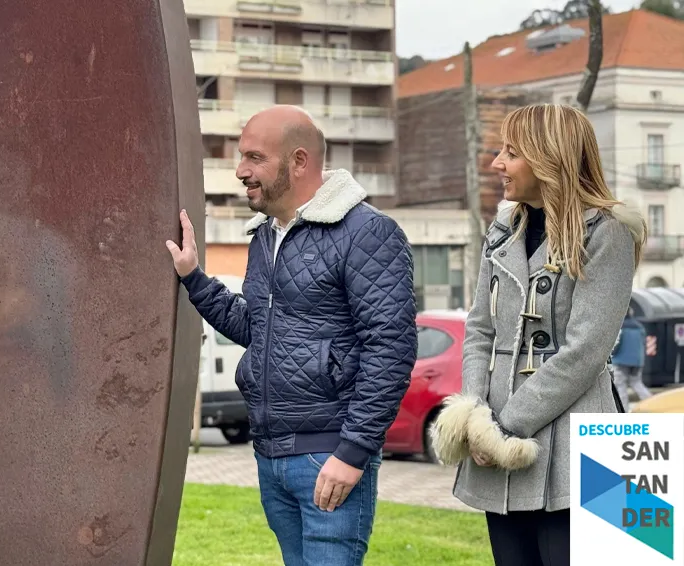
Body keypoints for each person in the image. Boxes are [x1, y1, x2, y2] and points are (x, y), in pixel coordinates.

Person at [165, 105, 418, 565]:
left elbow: (391, 349)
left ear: (299, 161)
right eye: (241, 157)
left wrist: (353, 452)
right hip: (271, 455)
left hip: (329, 455)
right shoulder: (266, 236)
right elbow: (256, 329)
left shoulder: (368, 233)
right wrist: (194, 278)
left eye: (255, 157)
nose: (241, 171)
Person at [431, 104, 646, 566]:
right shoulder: (503, 229)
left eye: (511, 153)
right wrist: (475, 418)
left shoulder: (608, 233)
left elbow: (585, 351)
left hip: (579, 450)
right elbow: (480, 329)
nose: (497, 163)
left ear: (549, 158)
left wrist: (504, 428)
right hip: (496, 448)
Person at [612, 308, 651, 411]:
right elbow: (643, 343)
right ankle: (652, 402)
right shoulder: (640, 327)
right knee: (636, 383)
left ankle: (624, 410)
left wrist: (612, 354)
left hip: (621, 361)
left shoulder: (620, 326)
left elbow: (616, 345)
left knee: (620, 385)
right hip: (637, 361)